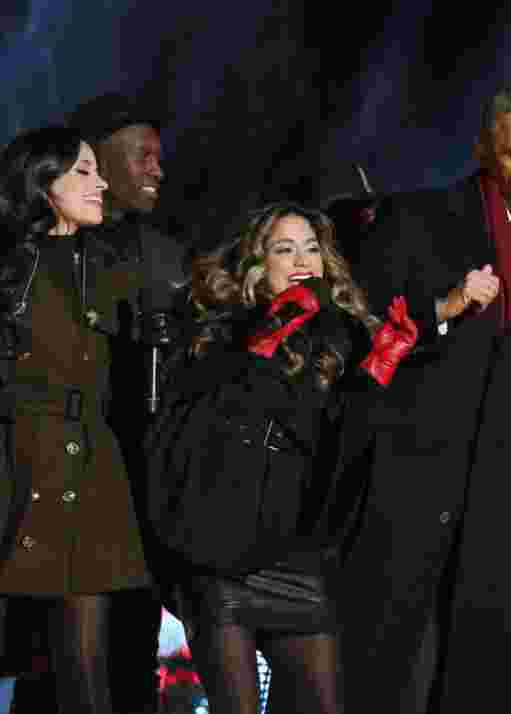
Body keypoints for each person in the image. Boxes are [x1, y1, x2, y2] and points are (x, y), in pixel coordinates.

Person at [337, 81, 511, 713]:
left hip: (494, 526)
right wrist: (442, 311)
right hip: (401, 504)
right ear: (489, 152)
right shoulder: (416, 222)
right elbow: (360, 343)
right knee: (381, 689)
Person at [145, 202, 417, 714]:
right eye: (284, 248)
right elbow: (196, 437)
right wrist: (259, 351)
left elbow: (345, 457)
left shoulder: (342, 337)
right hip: (222, 559)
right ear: (255, 264)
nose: (303, 261)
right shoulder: (216, 332)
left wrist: (373, 378)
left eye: (312, 248)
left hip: (300, 561)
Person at [0, 125, 155, 713]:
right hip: (20, 469)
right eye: (84, 172)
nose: (100, 184)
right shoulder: (11, 267)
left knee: (86, 674)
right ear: (43, 184)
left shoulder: (111, 265)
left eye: (98, 171)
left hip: (92, 472)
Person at [66, 91, 189, 713]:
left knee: (133, 639)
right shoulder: (51, 251)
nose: (157, 169)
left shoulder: (164, 253)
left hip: (144, 470)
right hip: (70, 471)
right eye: (143, 155)